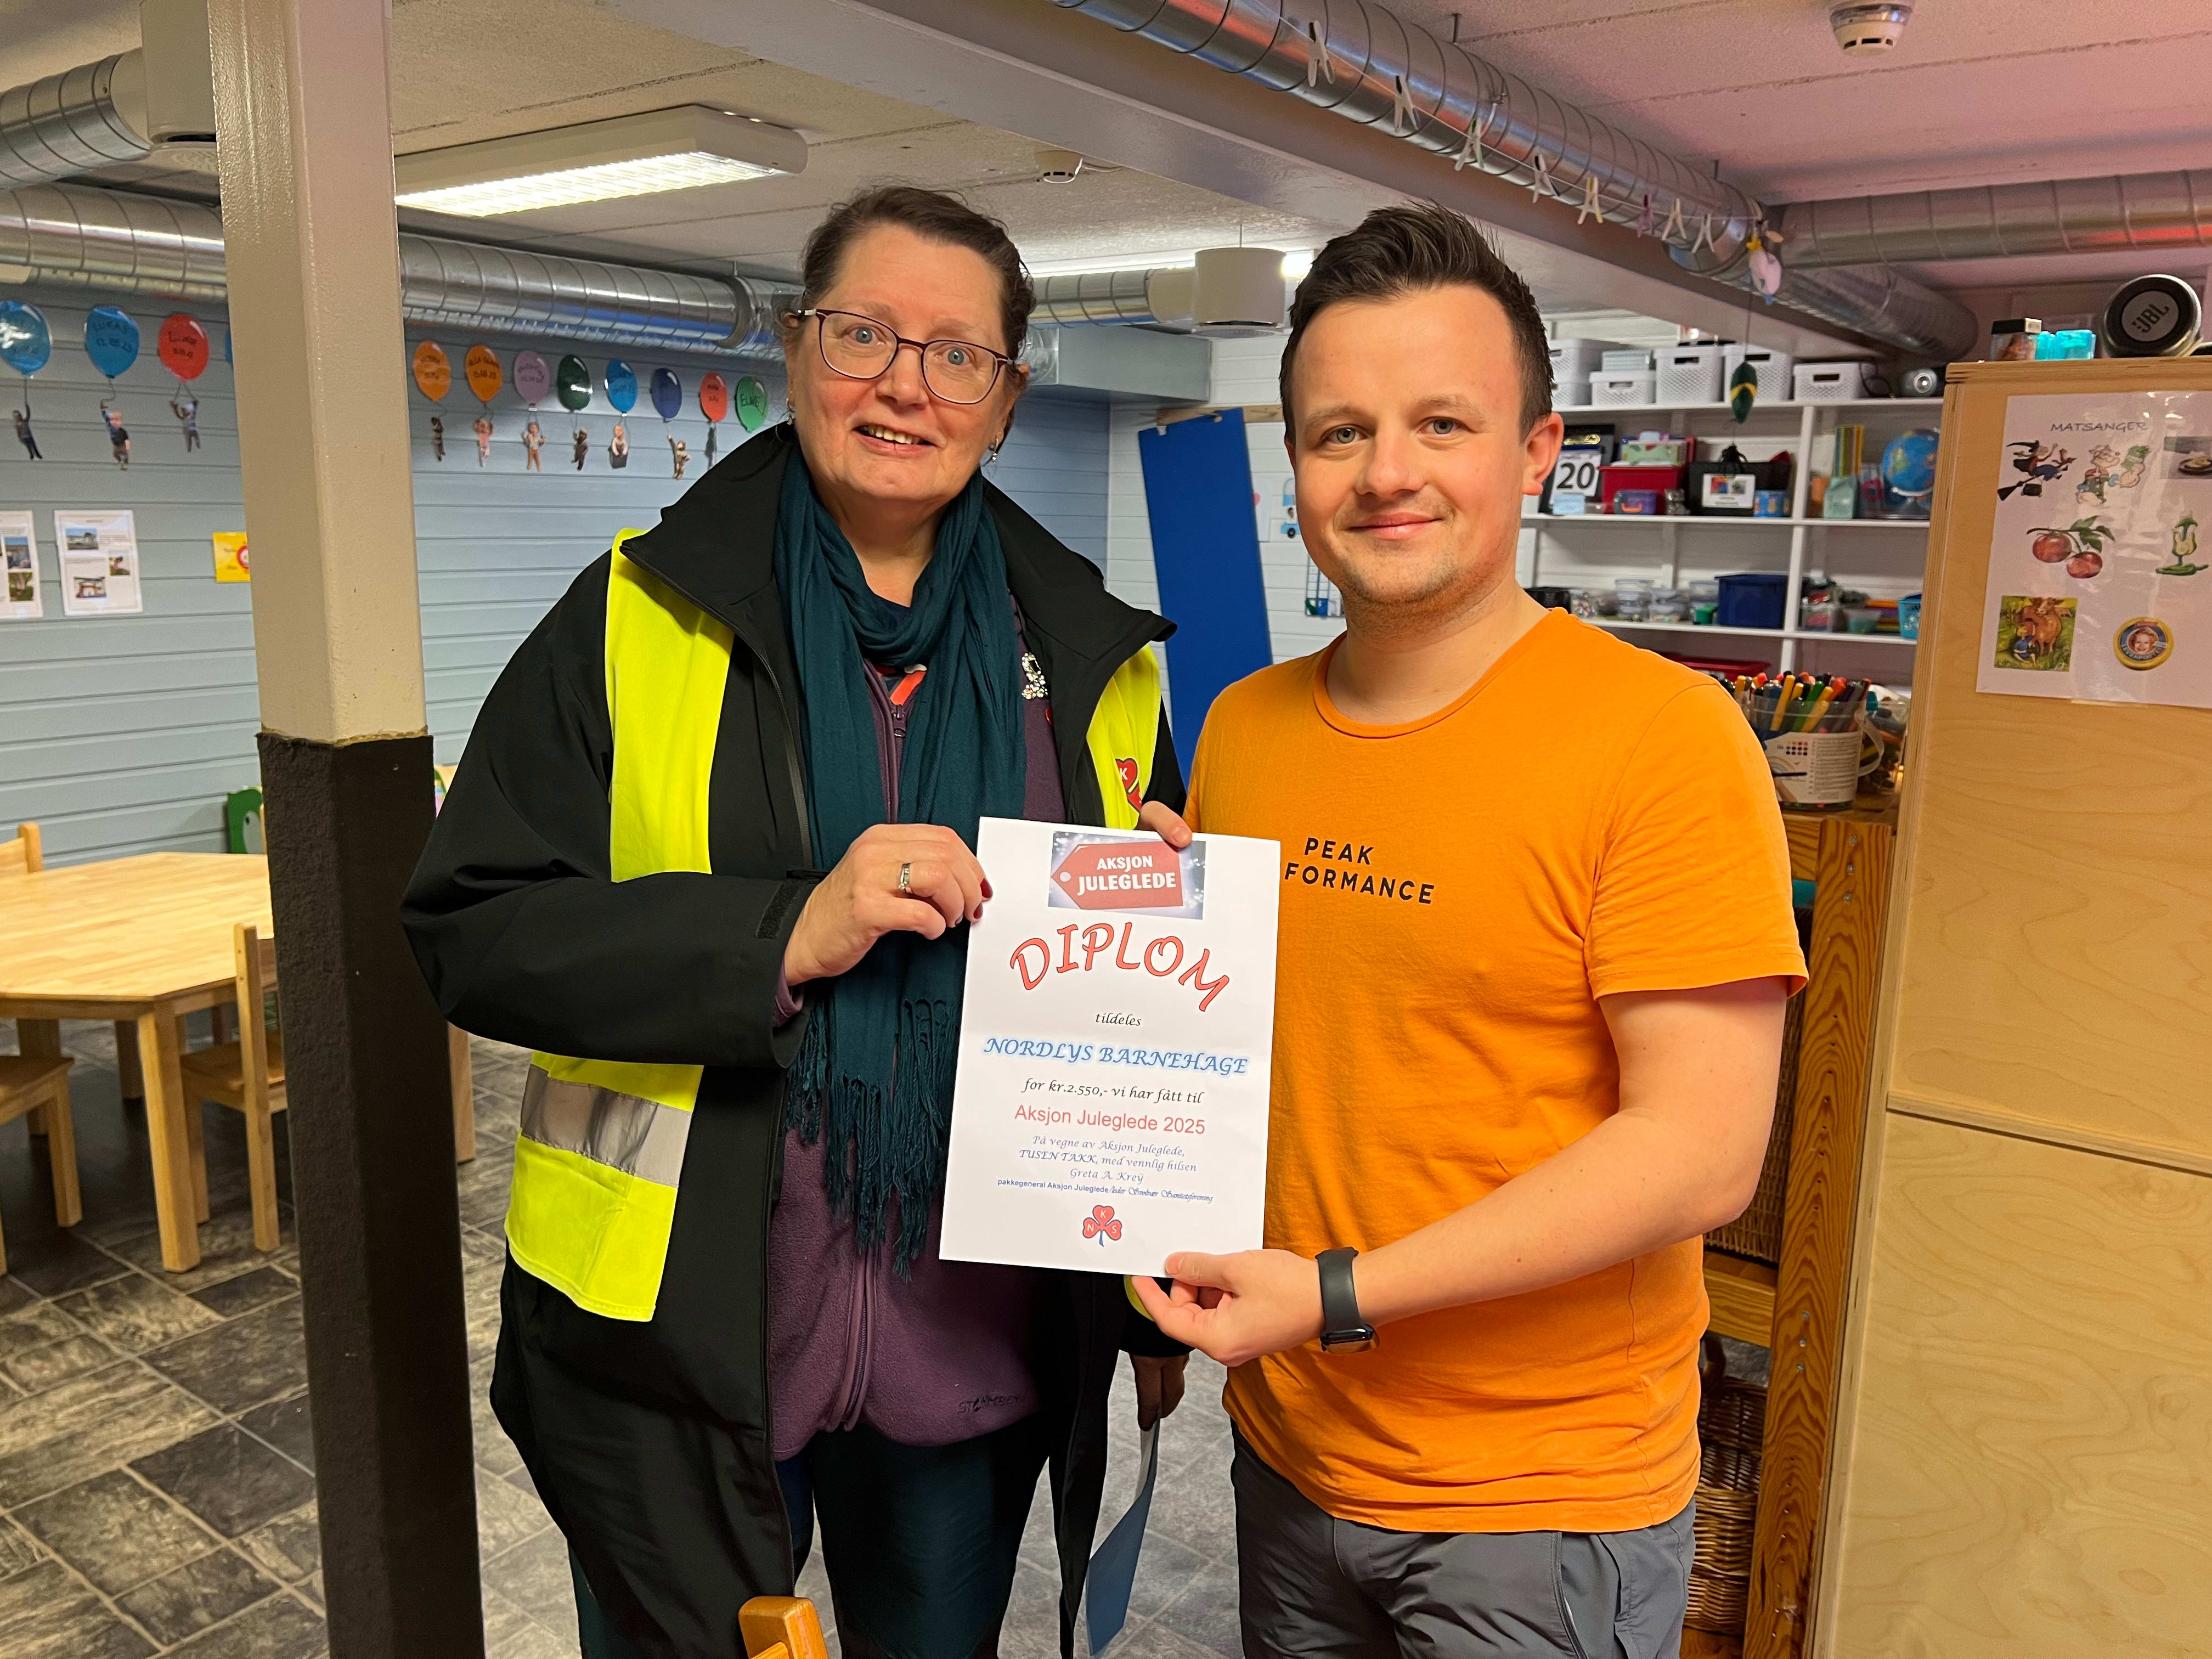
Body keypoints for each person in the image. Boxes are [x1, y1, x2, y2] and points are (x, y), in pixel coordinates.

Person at [404, 184, 1188, 1659]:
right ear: (794, 347)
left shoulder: (1100, 661)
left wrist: (1161, 928)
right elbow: (471, 928)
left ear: (1006, 399)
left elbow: (1141, 1040)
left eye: (958, 354)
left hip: (977, 1341)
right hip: (681, 1347)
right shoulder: (634, 617)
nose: (906, 383)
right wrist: (777, 936)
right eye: (863, 333)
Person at [1133, 204, 1807, 1659]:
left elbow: (1700, 1151)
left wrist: (1336, 1295)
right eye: (1340, 432)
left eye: (1442, 422)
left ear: (1537, 448)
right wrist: (1143, 934)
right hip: (1289, 1445)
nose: (1387, 473)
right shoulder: (1242, 727)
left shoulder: (1663, 737)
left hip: (1536, 1502)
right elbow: (1294, 1046)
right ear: (1296, 462)